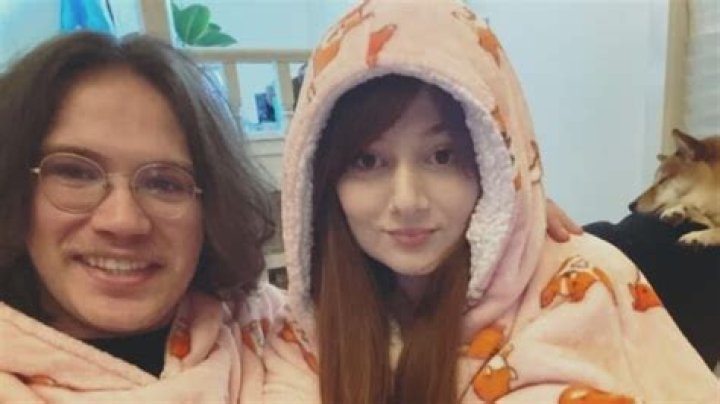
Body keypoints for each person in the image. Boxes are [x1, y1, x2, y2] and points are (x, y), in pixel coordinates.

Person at [264, 1, 719, 403]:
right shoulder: (300, 332)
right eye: (368, 160)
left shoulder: (579, 291)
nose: (407, 200)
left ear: (495, 162)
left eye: (442, 156)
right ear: (324, 179)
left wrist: (521, 206)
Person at [0, 31, 283, 402]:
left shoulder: (291, 333)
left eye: (164, 183)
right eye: (75, 173)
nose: (123, 221)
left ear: (213, 209)